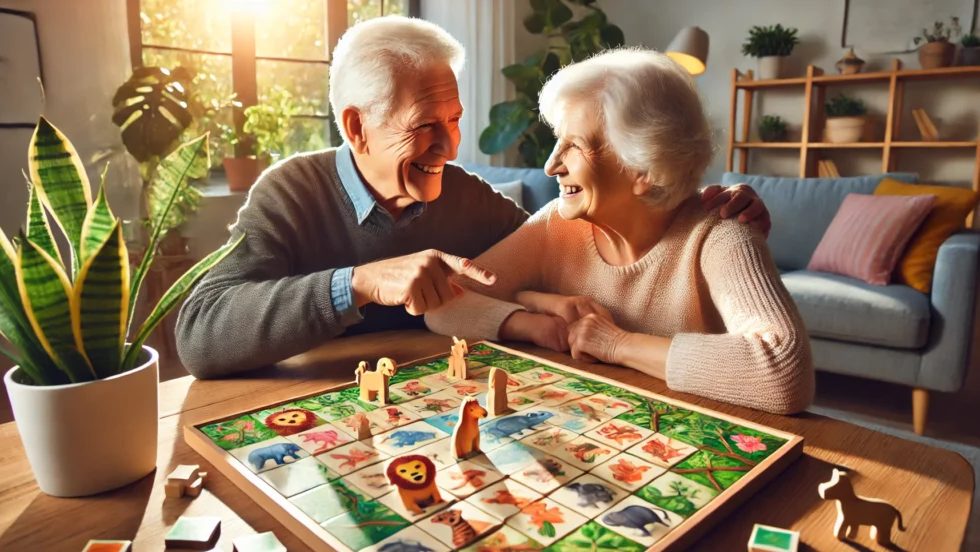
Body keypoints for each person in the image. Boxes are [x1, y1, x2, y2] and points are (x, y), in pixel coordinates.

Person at [175, 17, 770, 379]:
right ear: (356, 128)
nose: (450, 145)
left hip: (438, 401)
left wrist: (687, 204)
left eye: (454, 119)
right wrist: (358, 282)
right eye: (425, 124)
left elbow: (550, 266)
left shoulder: (465, 196)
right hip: (315, 415)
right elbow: (200, 334)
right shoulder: (290, 191)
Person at [426, 48, 813, 415]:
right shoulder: (558, 226)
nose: (550, 166)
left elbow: (783, 370)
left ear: (643, 169)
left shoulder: (720, 233)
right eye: (557, 141)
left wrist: (616, 344)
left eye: (574, 146)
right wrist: (536, 321)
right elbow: (444, 303)